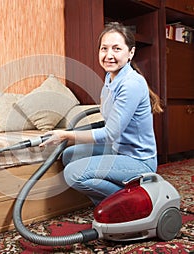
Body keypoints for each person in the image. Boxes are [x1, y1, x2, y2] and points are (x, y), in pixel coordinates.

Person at [40, 22, 163, 205]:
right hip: (117, 149)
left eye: (116, 48)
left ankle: (131, 202)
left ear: (131, 53)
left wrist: (65, 134)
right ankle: (118, 195)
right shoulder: (110, 77)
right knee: (69, 155)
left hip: (138, 160)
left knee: (73, 173)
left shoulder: (131, 84)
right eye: (104, 49)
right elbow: (109, 122)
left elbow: (110, 133)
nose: (109, 55)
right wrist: (71, 135)